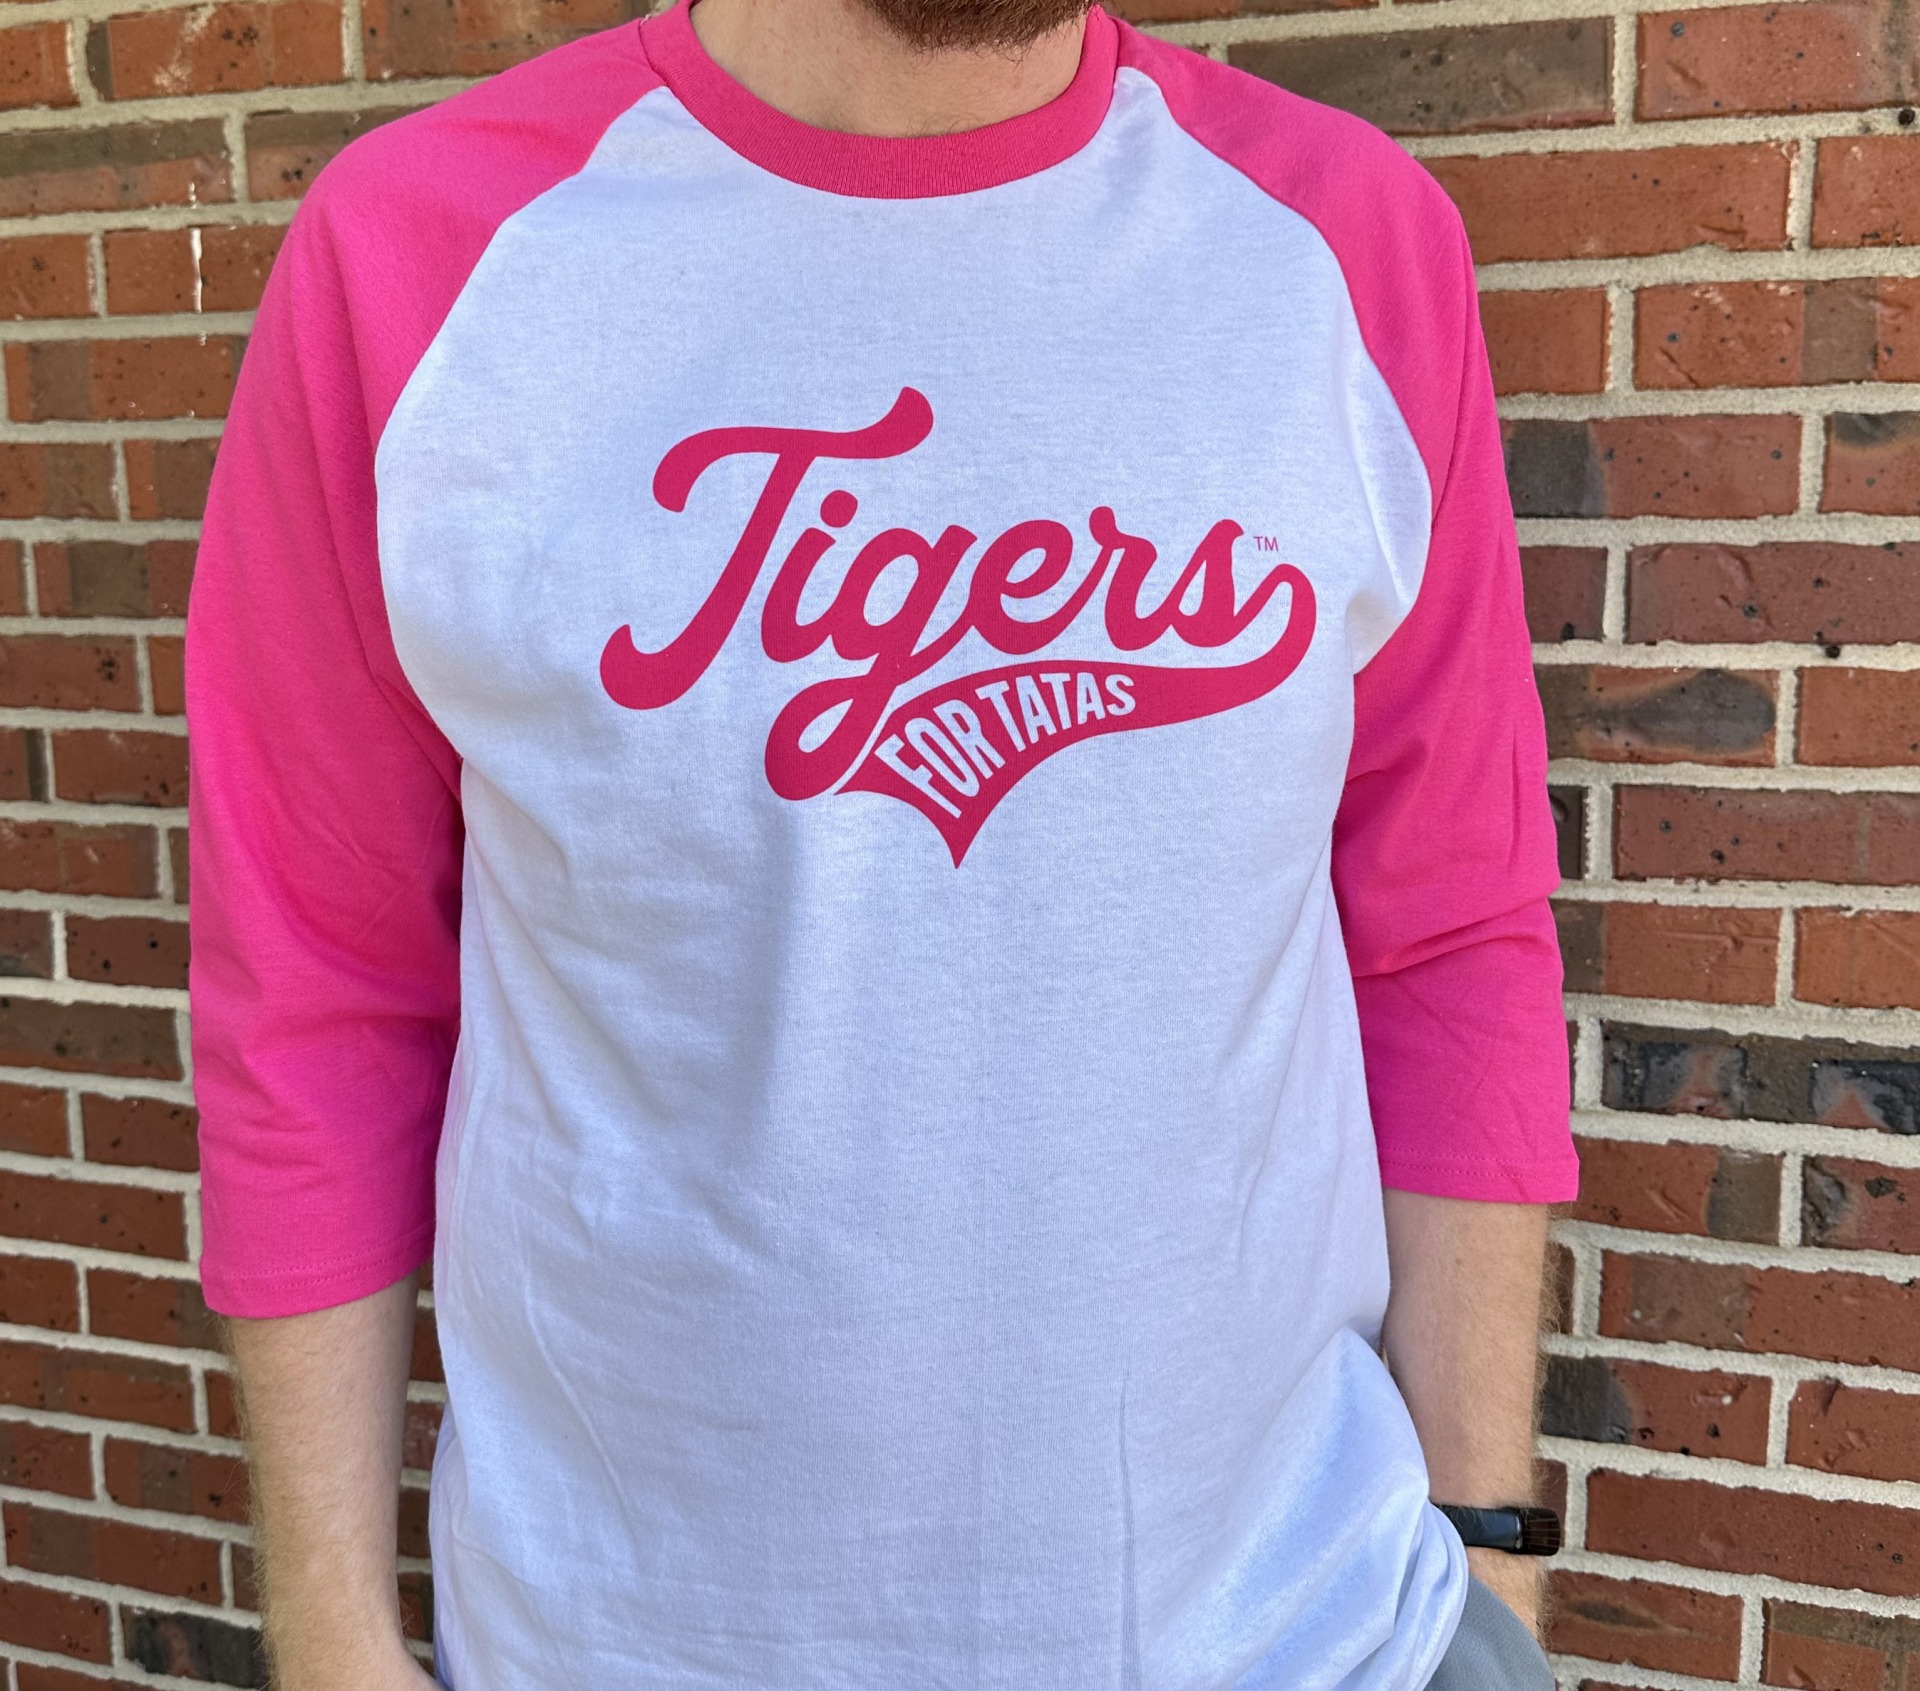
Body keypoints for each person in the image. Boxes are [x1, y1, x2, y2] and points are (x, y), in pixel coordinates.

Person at [185, 0, 1580, 1683]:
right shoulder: (416, 257)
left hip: (1307, 1639)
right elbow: (317, 993)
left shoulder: (1348, 244)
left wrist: (1487, 1564)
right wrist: (333, 1632)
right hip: (627, 1649)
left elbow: (1449, 932)